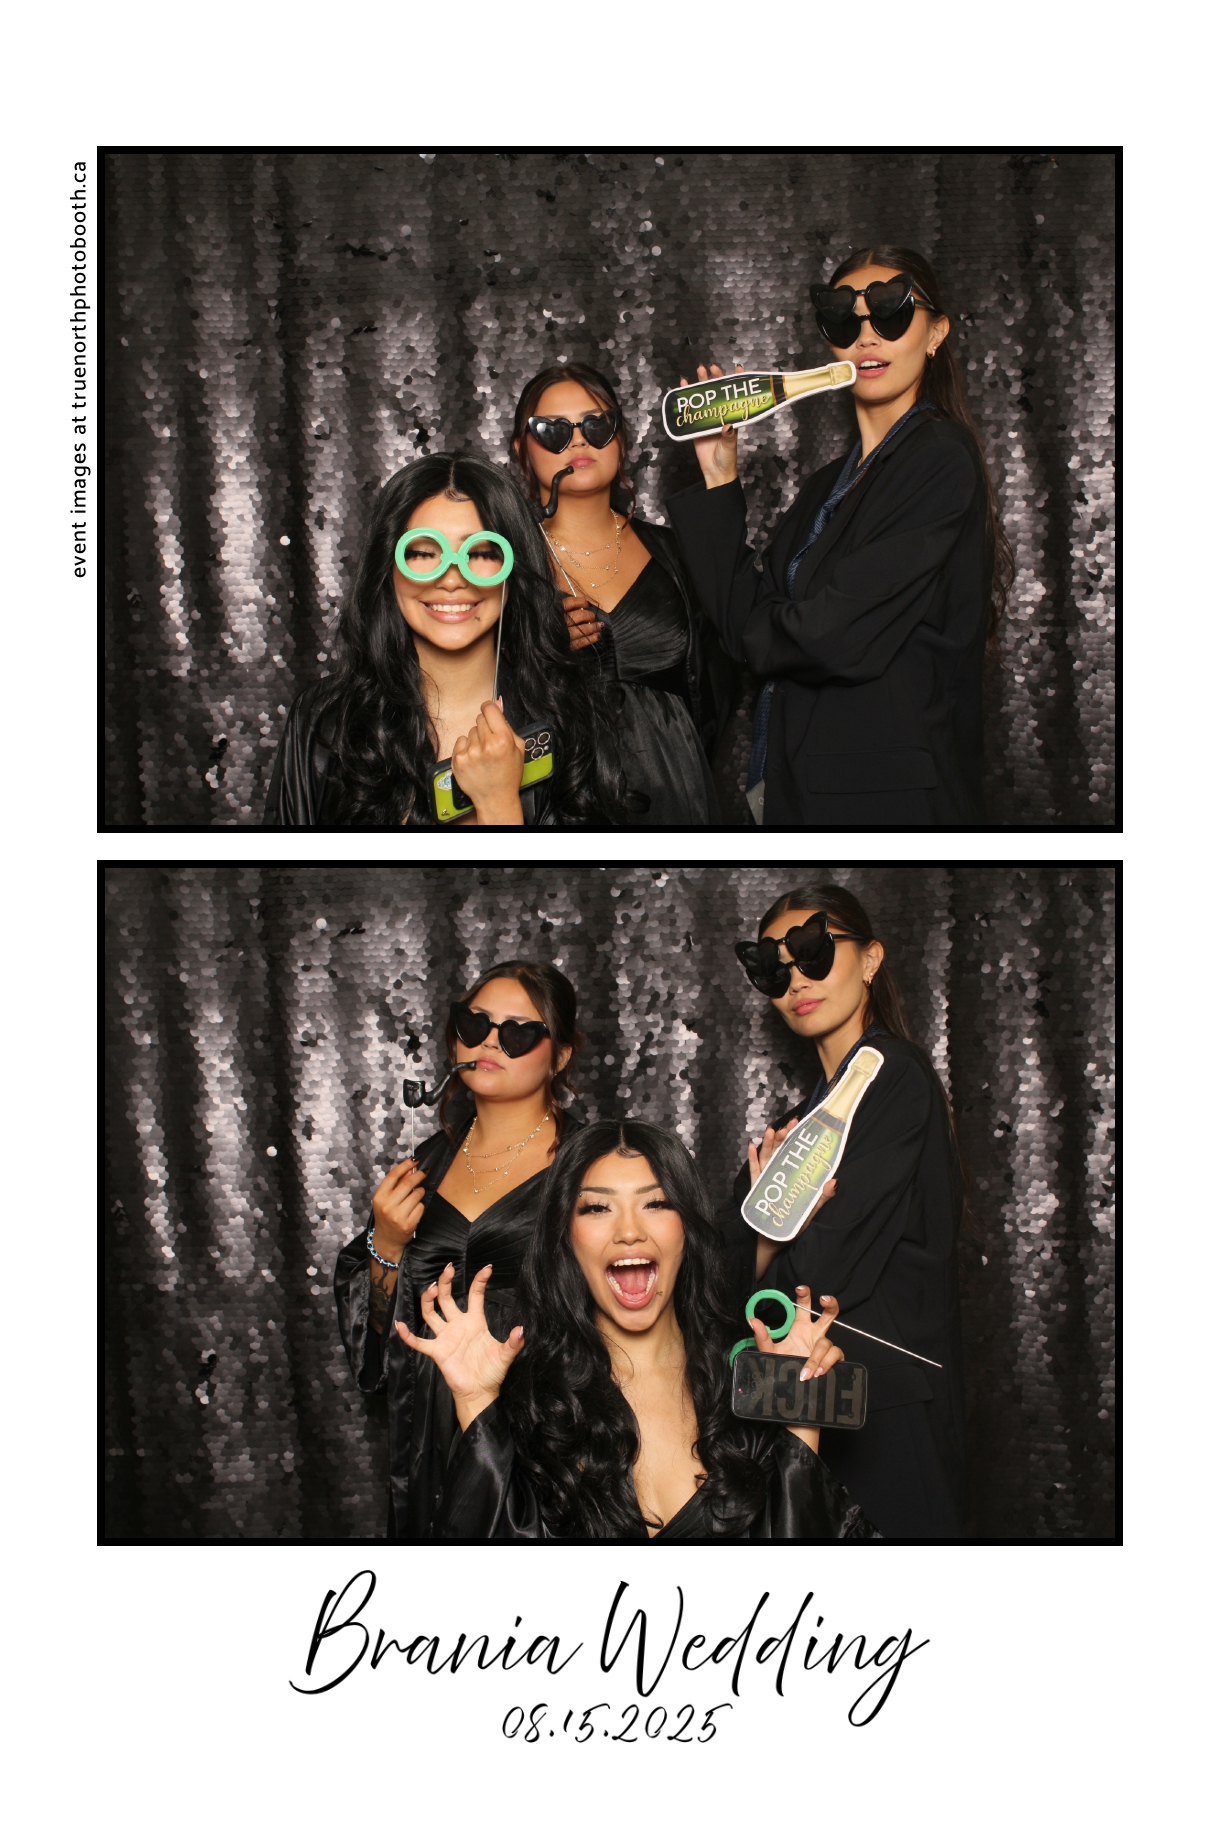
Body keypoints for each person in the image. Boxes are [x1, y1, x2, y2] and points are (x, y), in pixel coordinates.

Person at [399, 1119, 881, 1541]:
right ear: (565, 1236)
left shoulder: (744, 1386)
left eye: (656, 1204)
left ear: (687, 1227)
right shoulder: (532, 1400)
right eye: (597, 1208)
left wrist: (800, 1411)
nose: (629, 1231)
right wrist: (475, 1403)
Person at [667, 246, 1015, 826]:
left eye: (891, 313)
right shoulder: (827, 485)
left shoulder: (940, 459)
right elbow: (737, 623)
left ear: (936, 333)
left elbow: (832, 638)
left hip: (887, 807)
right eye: (844, 320)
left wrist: (769, 627)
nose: (867, 335)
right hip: (792, 791)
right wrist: (719, 475)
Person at [725, 881, 967, 1538]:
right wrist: (770, 1240)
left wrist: (762, 1243)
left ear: (870, 958)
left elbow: (815, 1277)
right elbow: (720, 1278)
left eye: (814, 951)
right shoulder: (798, 1124)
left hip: (882, 1411)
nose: (796, 980)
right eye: (774, 968)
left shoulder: (895, 1075)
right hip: (804, 1404)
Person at [333, 961, 583, 1539]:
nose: (490, 1042)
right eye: (475, 1025)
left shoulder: (589, 1163)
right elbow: (380, 1337)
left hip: (546, 1422)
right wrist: (386, 1245)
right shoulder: (426, 1163)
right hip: (431, 1428)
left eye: (518, 1032)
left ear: (560, 1056)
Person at [264, 455, 627, 826]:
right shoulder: (324, 719)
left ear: (512, 570)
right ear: (388, 567)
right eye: (423, 552)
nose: (452, 579)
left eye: (481, 553)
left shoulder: (573, 717)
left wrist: (499, 806)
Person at [510, 363, 734, 826]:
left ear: (621, 437)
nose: (578, 441)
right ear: (522, 449)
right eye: (553, 430)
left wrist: (721, 477)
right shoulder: (502, 563)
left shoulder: (676, 553)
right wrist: (536, 648)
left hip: (679, 797)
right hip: (557, 806)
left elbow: (739, 651)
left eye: (596, 424)